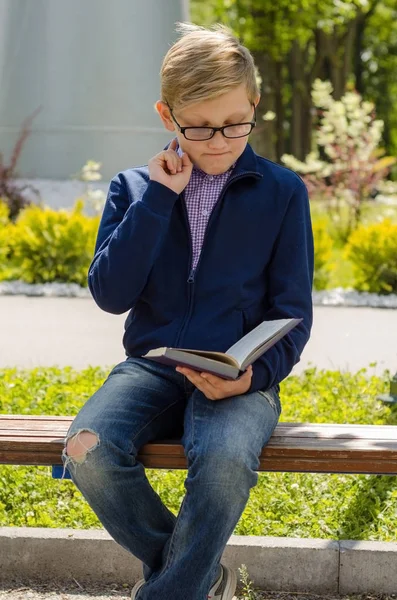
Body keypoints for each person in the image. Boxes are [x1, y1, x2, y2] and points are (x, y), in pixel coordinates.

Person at [61, 22, 314, 600]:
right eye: (199, 127)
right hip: (151, 368)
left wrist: (256, 376)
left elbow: (293, 311)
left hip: (239, 378)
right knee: (87, 448)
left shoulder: (282, 192)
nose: (220, 141)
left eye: (234, 124)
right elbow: (110, 294)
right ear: (166, 115)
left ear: (254, 103)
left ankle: (171, 590)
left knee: (224, 460)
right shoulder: (135, 188)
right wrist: (158, 199)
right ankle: (196, 577)